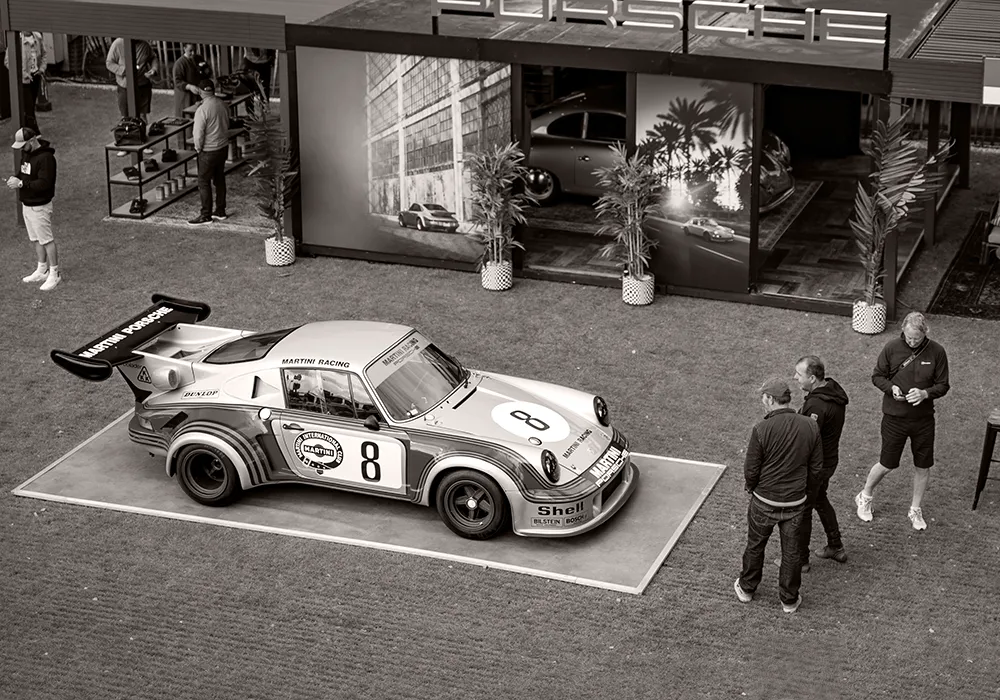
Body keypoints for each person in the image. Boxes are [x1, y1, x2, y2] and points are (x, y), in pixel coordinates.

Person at [735, 378, 823, 614]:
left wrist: (751, 487)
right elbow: (816, 469)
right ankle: (789, 600)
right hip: (796, 503)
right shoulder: (810, 426)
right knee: (792, 552)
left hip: (764, 501)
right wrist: (807, 494)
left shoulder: (761, 429)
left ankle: (747, 588)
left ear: (770, 399)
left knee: (755, 545)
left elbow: (751, 469)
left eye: (763, 397)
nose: (762, 401)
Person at [855, 312, 950, 530]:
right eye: (908, 337)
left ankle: (915, 510)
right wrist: (892, 389)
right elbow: (877, 376)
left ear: (924, 333)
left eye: (916, 338)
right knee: (887, 463)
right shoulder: (891, 347)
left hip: (923, 419)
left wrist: (925, 394)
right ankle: (865, 495)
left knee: (923, 465)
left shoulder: (937, 351)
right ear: (904, 331)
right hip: (894, 417)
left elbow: (943, 384)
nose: (912, 342)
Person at [793, 356, 849, 568]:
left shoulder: (816, 405)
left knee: (804, 509)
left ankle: (800, 560)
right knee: (820, 500)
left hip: (815, 467)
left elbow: (806, 439)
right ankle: (836, 546)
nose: (795, 378)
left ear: (813, 378)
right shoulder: (833, 390)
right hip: (829, 461)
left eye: (799, 374)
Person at [7, 127, 60, 291]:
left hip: (40, 206)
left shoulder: (46, 159)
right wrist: (16, 178)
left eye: (23, 145)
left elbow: (45, 184)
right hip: (28, 204)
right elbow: (24, 172)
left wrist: (22, 184)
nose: (21, 149)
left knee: (46, 240)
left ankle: (54, 273)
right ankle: (41, 269)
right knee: (36, 239)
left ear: (32, 141)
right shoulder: (27, 154)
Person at [188, 79, 231, 226]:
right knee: (219, 179)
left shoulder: (202, 109)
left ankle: (206, 214)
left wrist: (198, 148)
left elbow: (198, 133)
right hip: (223, 147)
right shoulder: (223, 104)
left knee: (203, 182)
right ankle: (220, 210)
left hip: (208, 150)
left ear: (200, 92)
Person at [105, 37, 158, 141]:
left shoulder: (144, 45)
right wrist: (124, 70)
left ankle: (142, 140)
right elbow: (109, 63)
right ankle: (125, 142)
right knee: (126, 115)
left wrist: (153, 69)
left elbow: (153, 57)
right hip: (125, 86)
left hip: (142, 85)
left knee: (142, 115)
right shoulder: (118, 43)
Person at [3, 31, 47, 134]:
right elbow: (8, 61)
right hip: (24, 79)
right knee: (29, 107)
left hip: (35, 76)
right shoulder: (16, 40)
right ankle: (35, 134)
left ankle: (27, 132)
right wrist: (22, 74)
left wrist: (41, 69)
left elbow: (44, 54)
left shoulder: (37, 37)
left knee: (30, 107)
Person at [172, 43, 209, 118]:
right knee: (188, 118)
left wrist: (206, 70)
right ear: (184, 49)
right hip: (185, 97)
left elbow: (207, 72)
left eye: (195, 50)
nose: (193, 53)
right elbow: (177, 82)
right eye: (190, 51)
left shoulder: (199, 59)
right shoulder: (179, 64)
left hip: (198, 95)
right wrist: (189, 87)